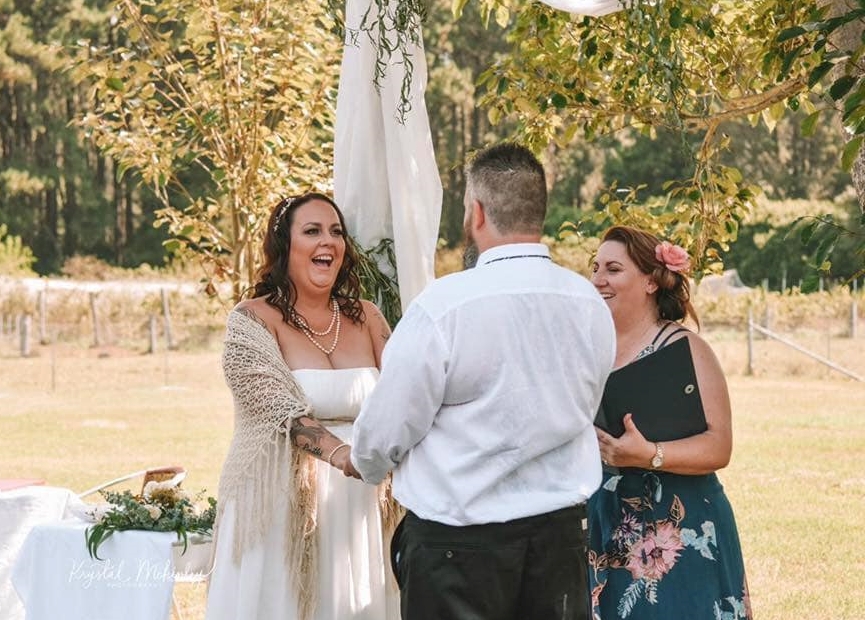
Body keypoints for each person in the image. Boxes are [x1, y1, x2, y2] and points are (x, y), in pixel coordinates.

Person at [344, 143, 617, 620]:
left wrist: (364, 461)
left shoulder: (444, 306)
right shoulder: (587, 303)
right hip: (559, 543)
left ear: (477, 212)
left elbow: (389, 425)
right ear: (539, 211)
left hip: (458, 549)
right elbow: (585, 401)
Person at [205, 192, 400, 620]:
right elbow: (281, 412)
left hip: (360, 509)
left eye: (336, 232)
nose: (327, 241)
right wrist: (344, 454)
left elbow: (404, 394)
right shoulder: (251, 320)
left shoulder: (368, 316)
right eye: (312, 231)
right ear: (284, 246)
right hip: (281, 506)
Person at [587, 225, 752, 620]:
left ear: (650, 281)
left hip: (680, 524)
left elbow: (719, 446)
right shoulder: (589, 349)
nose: (598, 279)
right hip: (607, 521)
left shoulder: (686, 349)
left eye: (613, 269)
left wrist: (650, 454)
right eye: (595, 268)